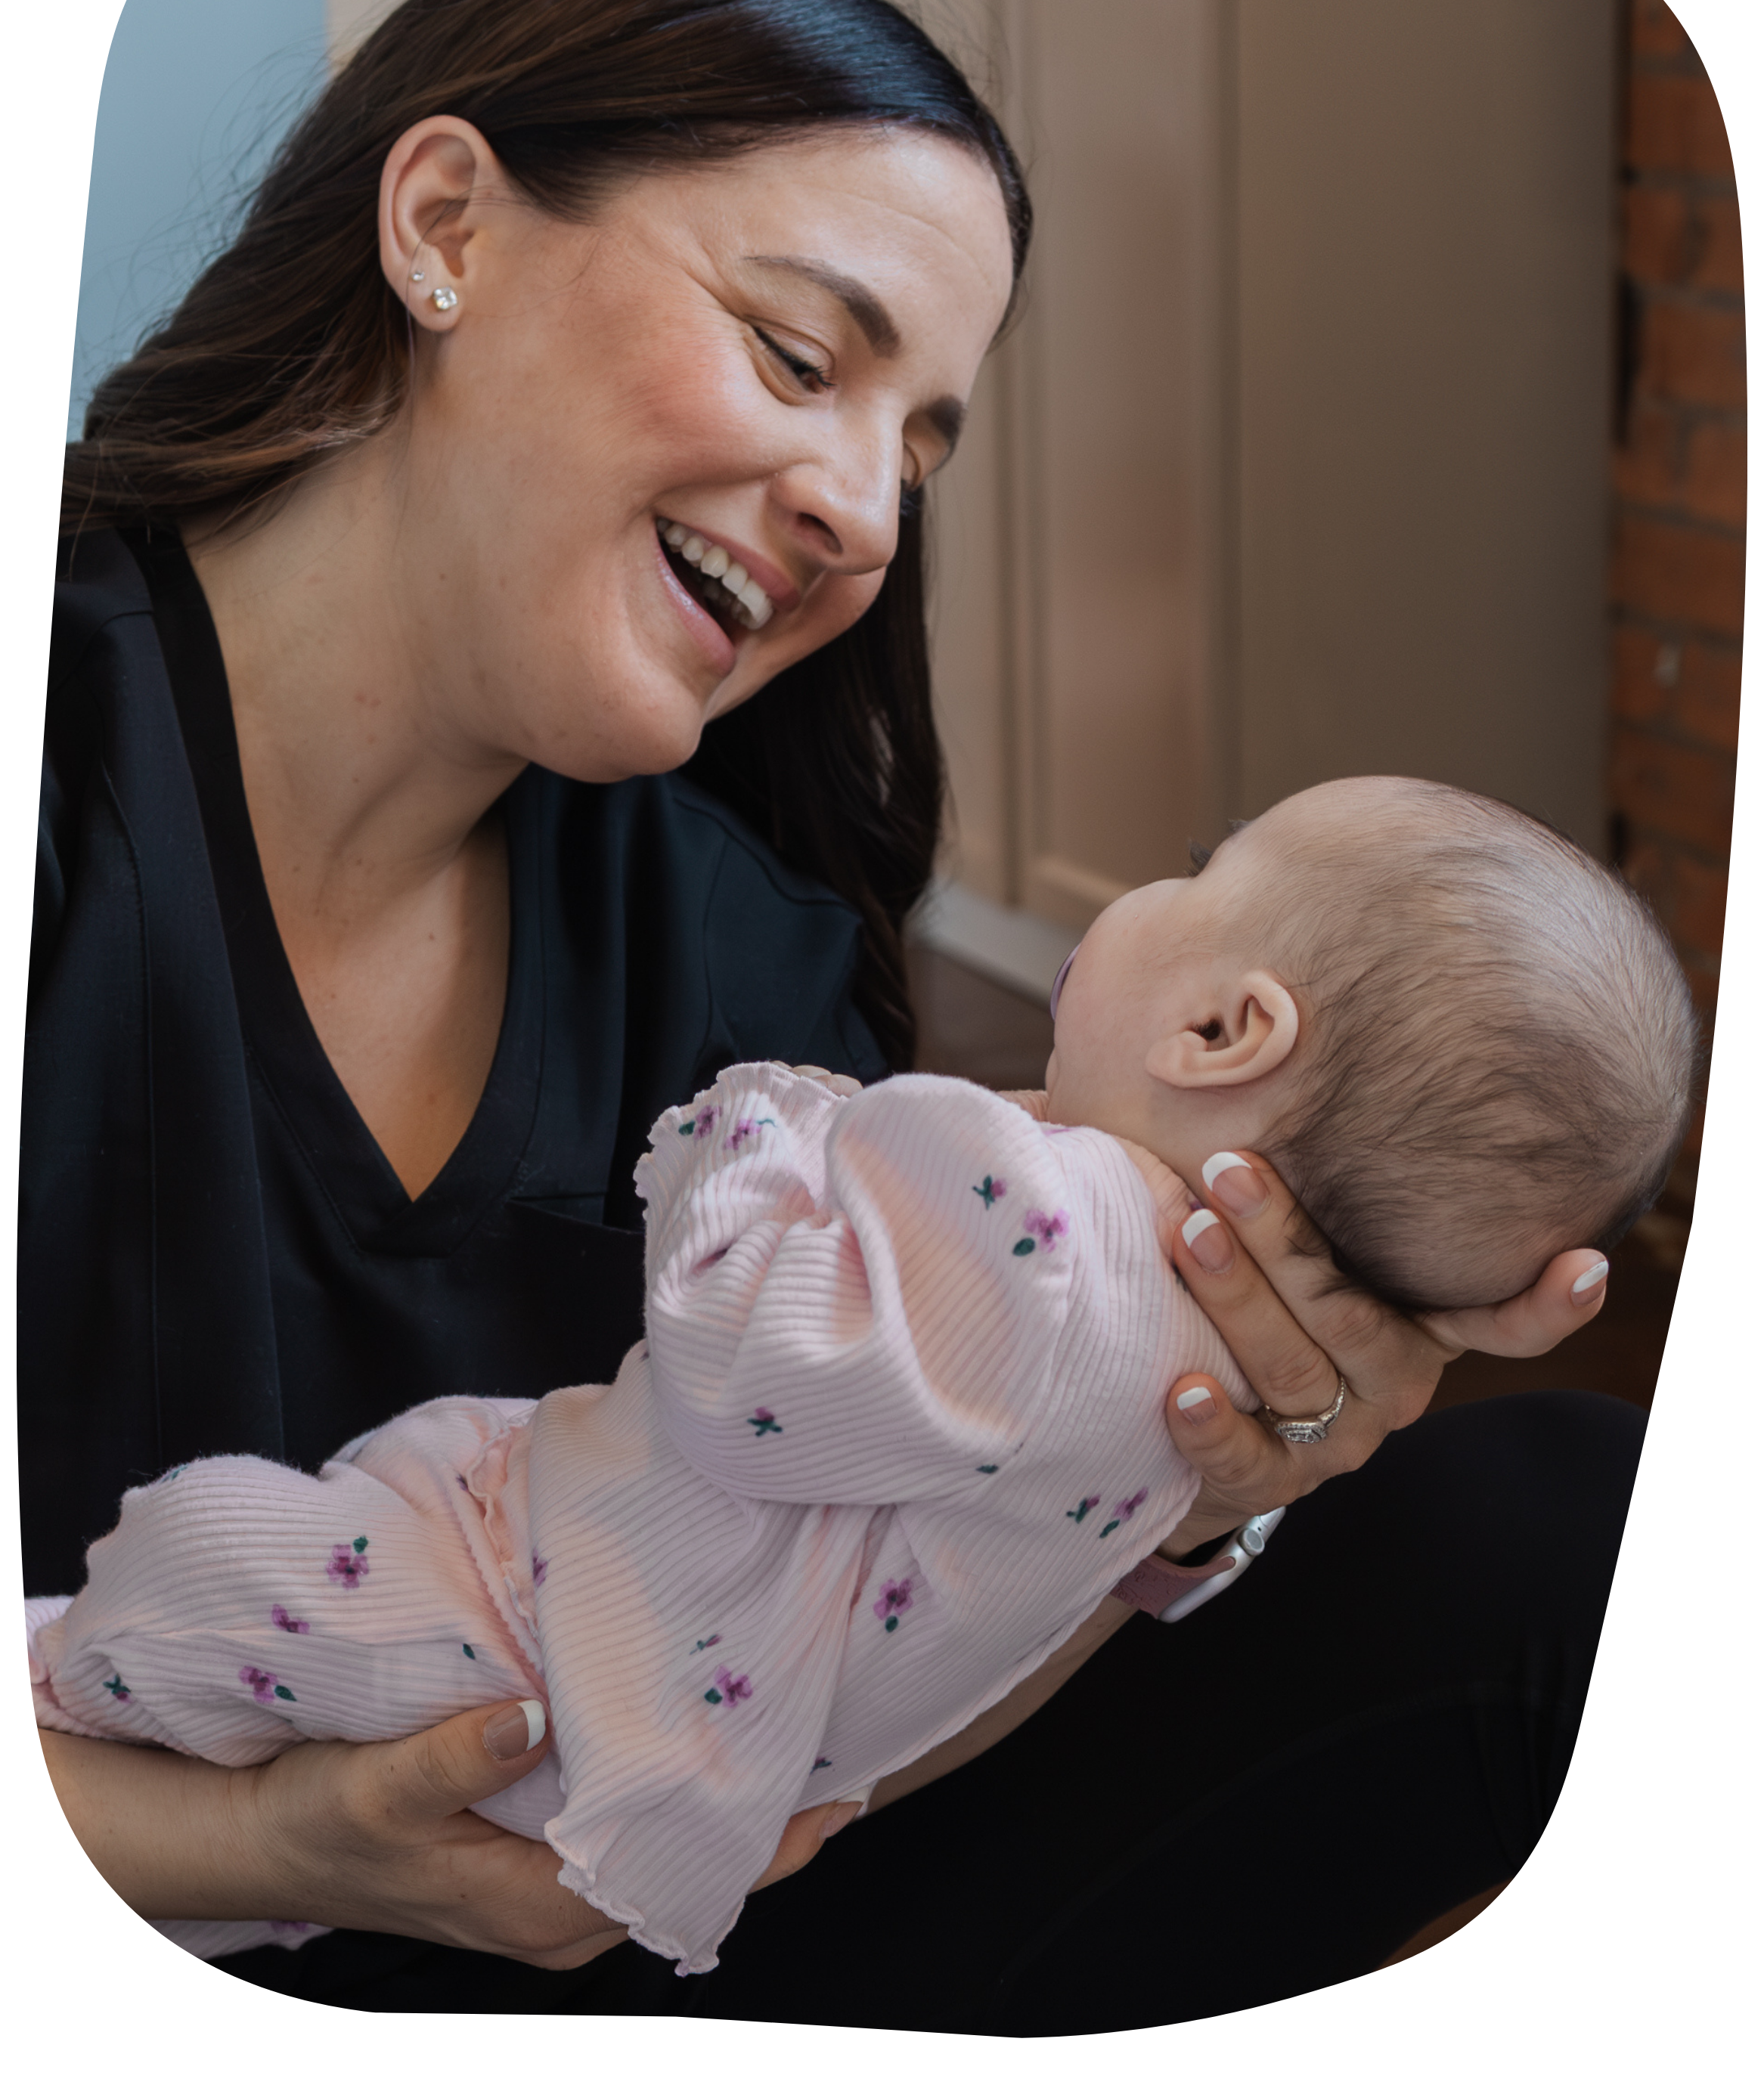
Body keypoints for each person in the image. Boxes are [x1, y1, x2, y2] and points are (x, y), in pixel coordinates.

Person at [30, 0, 1642, 2031]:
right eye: (803, 356)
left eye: (918, 442)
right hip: (111, 1938)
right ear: (444, 226)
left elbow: (831, 1675)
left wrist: (1158, 1482)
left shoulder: (738, 950)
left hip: (608, 1912)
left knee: (1561, 1531)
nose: (866, 514)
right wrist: (206, 1845)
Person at [30, 776, 1698, 1982]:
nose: (852, 503)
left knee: (207, 1563)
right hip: (686, 1752)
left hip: (549, 1636)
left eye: (1199, 866)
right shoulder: (1163, 1334)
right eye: (796, 351)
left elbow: (741, 1357)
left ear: (1218, 1034)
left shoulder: (1024, 1197)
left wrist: (750, 1123)